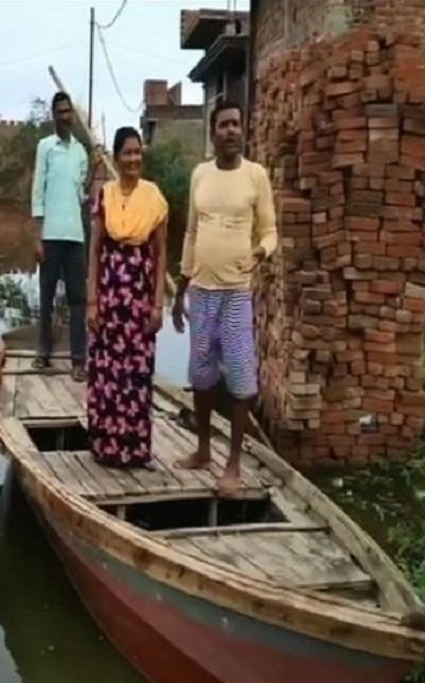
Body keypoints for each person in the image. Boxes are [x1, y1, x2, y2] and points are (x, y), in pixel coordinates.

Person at [172, 99, 277, 497]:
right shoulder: (200, 175)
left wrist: (259, 253)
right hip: (200, 291)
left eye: (236, 124)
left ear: (242, 130)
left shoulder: (256, 176)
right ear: (213, 132)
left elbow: (270, 232)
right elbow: (191, 234)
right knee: (200, 375)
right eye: (223, 125)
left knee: (239, 377)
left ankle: (232, 464)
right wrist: (180, 289)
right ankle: (202, 449)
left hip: (235, 293)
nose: (231, 130)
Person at [86, 127, 169, 468]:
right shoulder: (104, 196)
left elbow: (162, 254)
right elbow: (94, 251)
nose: (134, 159)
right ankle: (106, 447)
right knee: (106, 369)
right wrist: (91, 300)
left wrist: (158, 303)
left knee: (136, 372)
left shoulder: (154, 197)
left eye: (138, 153)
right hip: (109, 290)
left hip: (139, 293)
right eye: (127, 153)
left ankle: (134, 450)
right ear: (117, 158)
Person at [30, 91, 89, 382]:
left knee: (78, 299)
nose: (65, 116)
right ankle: (43, 352)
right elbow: (37, 193)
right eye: (60, 111)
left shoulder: (81, 152)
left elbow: (81, 195)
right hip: (51, 236)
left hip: (75, 236)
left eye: (68, 111)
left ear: (72, 116)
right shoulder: (45, 147)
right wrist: (36, 237)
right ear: (53, 116)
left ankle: (79, 359)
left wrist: (95, 175)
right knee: (47, 296)